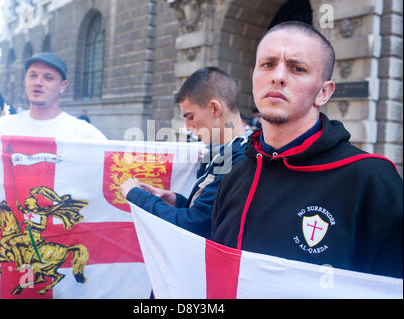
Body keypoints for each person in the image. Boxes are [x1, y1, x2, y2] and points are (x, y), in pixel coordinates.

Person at [211, 21, 403, 279]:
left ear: (324, 92)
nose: (277, 76)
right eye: (267, 64)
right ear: (254, 77)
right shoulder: (236, 174)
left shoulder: (371, 179)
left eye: (297, 68)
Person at [119, 67, 248, 238]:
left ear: (215, 109)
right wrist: (177, 201)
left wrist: (136, 196)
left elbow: (192, 225)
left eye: (190, 117)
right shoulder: (227, 153)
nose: (187, 127)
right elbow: (209, 215)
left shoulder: (239, 161)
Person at [0, 52, 107, 140]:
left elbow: (119, 175)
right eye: (33, 76)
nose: (38, 82)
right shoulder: (0, 128)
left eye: (48, 78)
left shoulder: (84, 134)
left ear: (62, 86)